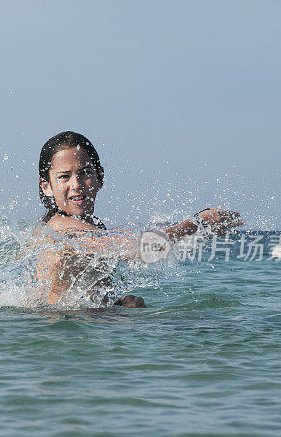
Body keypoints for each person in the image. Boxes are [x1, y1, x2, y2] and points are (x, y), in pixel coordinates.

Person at [33, 130, 242, 307]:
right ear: (46, 186)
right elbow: (141, 249)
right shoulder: (63, 229)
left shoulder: (82, 226)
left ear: (100, 177)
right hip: (65, 334)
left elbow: (73, 295)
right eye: (64, 177)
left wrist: (117, 305)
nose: (76, 184)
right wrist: (198, 224)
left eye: (85, 172)